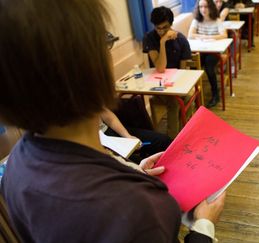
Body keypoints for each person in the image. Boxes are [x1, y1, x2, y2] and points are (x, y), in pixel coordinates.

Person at [0, 0, 225, 242]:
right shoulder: (140, 209)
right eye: (106, 40)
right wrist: (203, 225)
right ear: (90, 66)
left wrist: (133, 173)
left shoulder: (14, 168)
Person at [143, 6, 192, 138]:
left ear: (171, 24)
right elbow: (160, 68)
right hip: (157, 85)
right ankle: (171, 140)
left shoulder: (181, 40)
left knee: (187, 98)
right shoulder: (149, 38)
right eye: (158, 28)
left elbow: (183, 72)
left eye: (165, 27)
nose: (161, 31)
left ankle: (182, 130)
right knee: (174, 102)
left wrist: (178, 87)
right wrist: (163, 42)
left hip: (177, 83)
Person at [189, 0, 228, 108]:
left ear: (211, 7)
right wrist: (200, 37)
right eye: (201, 7)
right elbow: (190, 34)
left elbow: (224, 35)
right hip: (201, 50)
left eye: (206, 7)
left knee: (209, 66)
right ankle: (193, 95)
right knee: (192, 65)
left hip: (214, 51)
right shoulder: (197, 20)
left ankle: (215, 94)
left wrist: (208, 37)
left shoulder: (217, 20)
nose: (203, 9)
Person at [100, 109, 172, 163]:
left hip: (108, 131)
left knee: (164, 142)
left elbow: (108, 116)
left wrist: (128, 137)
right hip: (100, 143)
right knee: (136, 165)